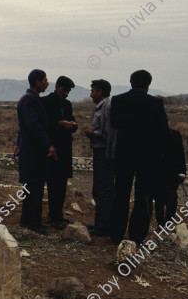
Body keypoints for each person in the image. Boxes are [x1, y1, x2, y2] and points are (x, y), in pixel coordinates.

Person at [109, 70, 169, 245]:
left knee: (120, 194)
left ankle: (116, 234)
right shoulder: (156, 103)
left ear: (130, 82)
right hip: (147, 157)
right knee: (143, 196)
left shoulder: (118, 100)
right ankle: (136, 235)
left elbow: (114, 124)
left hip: (124, 154)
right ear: (148, 84)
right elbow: (163, 133)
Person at [14, 69, 57, 235]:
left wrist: (18, 143)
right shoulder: (29, 100)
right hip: (33, 152)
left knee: (31, 186)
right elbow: (33, 126)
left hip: (31, 150)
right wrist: (49, 145)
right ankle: (34, 223)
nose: (47, 83)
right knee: (35, 186)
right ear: (38, 82)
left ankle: (27, 220)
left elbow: (24, 127)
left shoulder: (31, 99)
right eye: (45, 80)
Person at [41, 76, 78, 229]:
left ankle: (58, 215)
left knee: (61, 183)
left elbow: (73, 123)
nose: (66, 93)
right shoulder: (45, 102)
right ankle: (52, 216)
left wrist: (73, 125)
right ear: (57, 87)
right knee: (52, 182)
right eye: (64, 89)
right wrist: (58, 124)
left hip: (65, 149)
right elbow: (43, 124)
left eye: (68, 91)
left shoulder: (67, 104)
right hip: (52, 148)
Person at [84, 79, 116, 237]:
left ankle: (103, 227)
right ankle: (101, 224)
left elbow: (107, 133)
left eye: (93, 91)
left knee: (102, 190)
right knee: (100, 189)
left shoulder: (106, 108)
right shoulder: (102, 107)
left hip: (103, 153)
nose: (91, 94)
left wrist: (92, 133)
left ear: (101, 92)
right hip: (100, 152)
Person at [155, 127, 186, 226]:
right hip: (158, 173)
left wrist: (182, 172)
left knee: (172, 199)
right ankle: (160, 225)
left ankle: (168, 223)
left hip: (172, 174)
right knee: (159, 200)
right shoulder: (153, 134)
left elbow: (180, 154)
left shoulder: (175, 135)